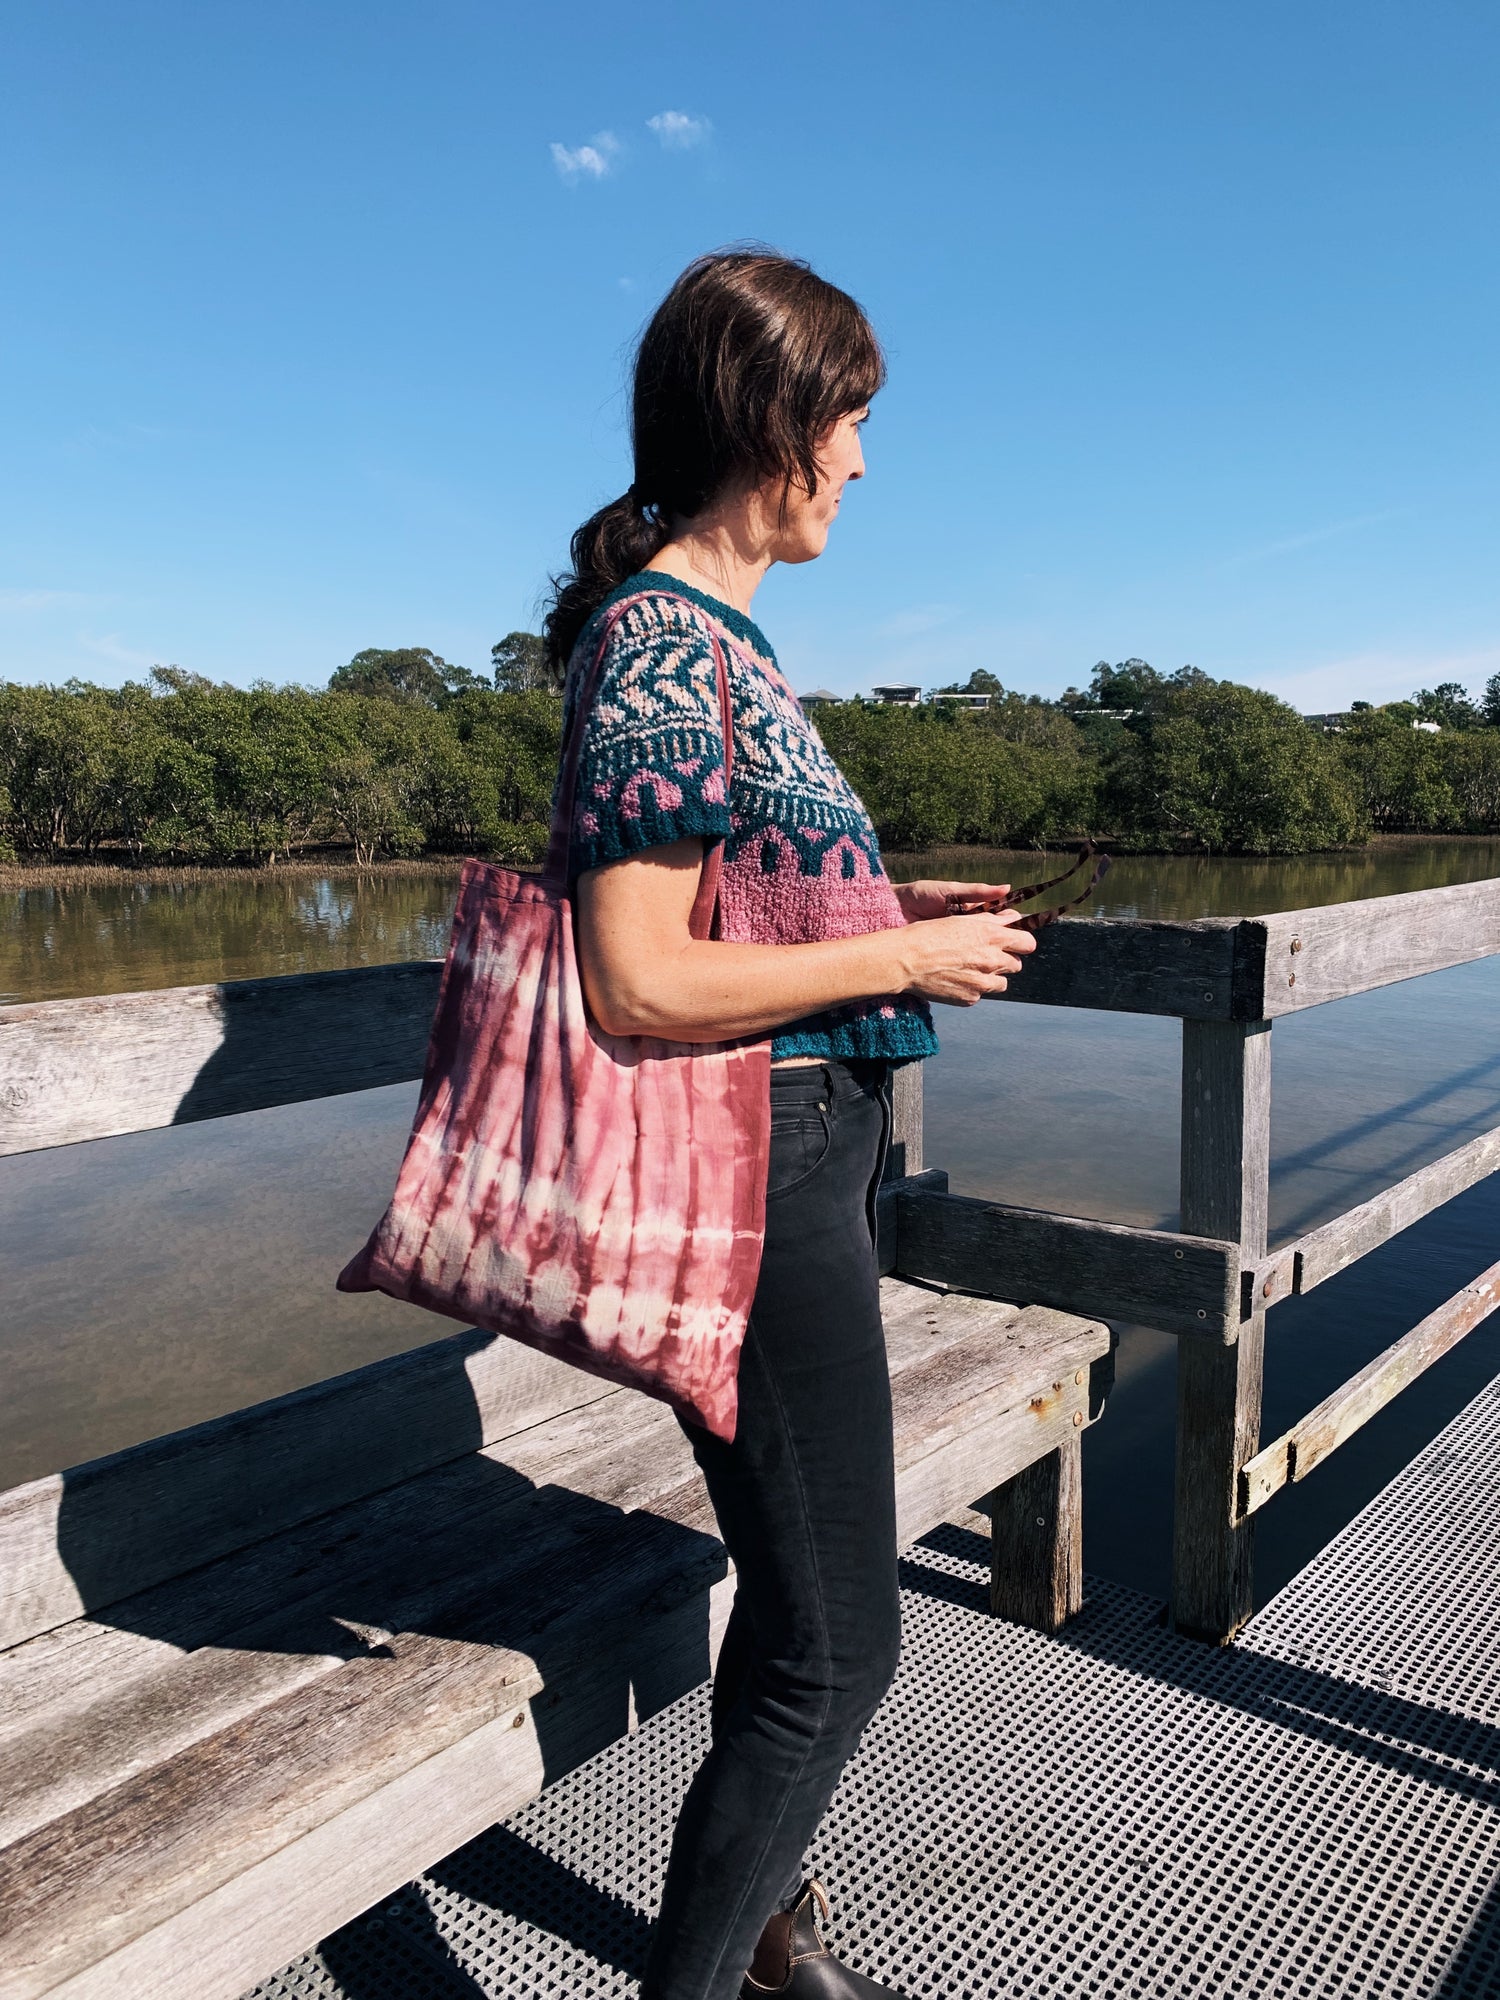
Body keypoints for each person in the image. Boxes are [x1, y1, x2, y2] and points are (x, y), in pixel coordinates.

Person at [544, 249, 1035, 2000]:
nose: (865, 462)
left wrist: (884, 904)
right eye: (854, 420)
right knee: (839, 1648)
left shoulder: (723, 646)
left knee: (803, 1604)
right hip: (760, 1173)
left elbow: (733, 912)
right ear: (775, 419)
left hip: (809, 1161)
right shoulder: (661, 646)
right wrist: (901, 954)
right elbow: (638, 981)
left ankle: (765, 1936)